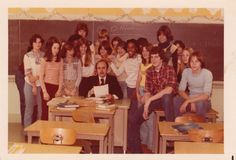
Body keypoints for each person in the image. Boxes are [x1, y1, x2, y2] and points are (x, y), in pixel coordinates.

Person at [128, 46, 177, 153]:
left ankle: (171, 134)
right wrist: (146, 104)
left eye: (156, 57)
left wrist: (149, 101)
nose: (153, 60)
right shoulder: (149, 71)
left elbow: (169, 90)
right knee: (133, 121)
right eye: (152, 57)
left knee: (166, 97)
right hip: (155, 100)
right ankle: (137, 153)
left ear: (161, 58)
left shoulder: (169, 69)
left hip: (169, 102)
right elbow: (148, 91)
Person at [174, 51, 213, 118]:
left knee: (200, 104)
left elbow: (206, 96)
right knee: (176, 100)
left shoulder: (207, 74)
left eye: (197, 61)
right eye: (192, 61)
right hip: (190, 99)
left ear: (201, 63)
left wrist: (189, 101)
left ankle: (199, 127)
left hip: (203, 102)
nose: (194, 64)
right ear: (189, 63)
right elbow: (181, 90)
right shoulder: (186, 72)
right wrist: (189, 100)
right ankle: (178, 124)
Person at [23, 34, 45, 127]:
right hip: (30, 85)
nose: (38, 44)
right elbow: (29, 74)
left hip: (41, 85)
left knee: (40, 109)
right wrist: (34, 86)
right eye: (36, 42)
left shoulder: (44, 55)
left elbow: (44, 72)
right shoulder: (27, 56)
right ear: (32, 43)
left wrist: (38, 78)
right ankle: (27, 131)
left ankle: (38, 131)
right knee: (29, 108)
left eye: (40, 42)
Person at [40, 36, 63, 120]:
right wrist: (44, 92)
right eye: (54, 48)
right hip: (47, 87)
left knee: (56, 113)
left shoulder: (60, 60)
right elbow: (41, 77)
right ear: (50, 48)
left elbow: (61, 76)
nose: (56, 50)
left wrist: (59, 90)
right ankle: (44, 132)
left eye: (58, 48)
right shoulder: (44, 60)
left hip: (56, 88)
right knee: (45, 113)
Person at [135, 43, 154, 150]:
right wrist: (137, 92)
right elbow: (138, 79)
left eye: (147, 51)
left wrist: (146, 95)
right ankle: (143, 143)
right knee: (141, 119)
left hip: (149, 93)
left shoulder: (153, 65)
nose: (145, 53)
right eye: (143, 51)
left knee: (150, 120)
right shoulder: (141, 64)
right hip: (140, 91)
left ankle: (151, 146)